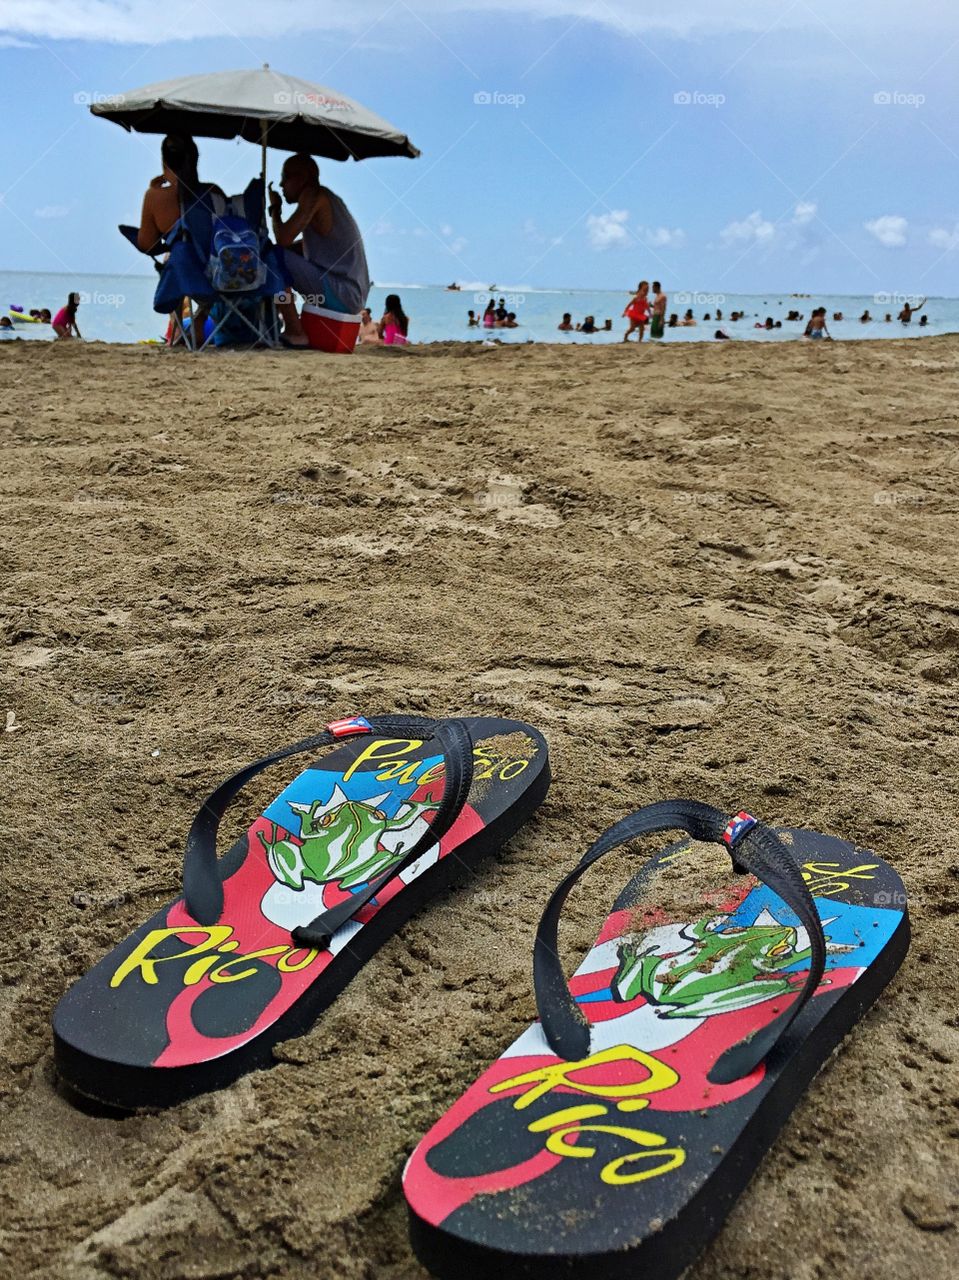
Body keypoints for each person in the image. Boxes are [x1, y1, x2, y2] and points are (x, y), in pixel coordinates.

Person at [270, 153, 371, 347]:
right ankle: (275, 323)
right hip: (350, 296)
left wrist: (275, 209)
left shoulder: (314, 195)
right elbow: (300, 247)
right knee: (275, 256)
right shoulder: (325, 200)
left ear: (302, 178)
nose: (281, 185)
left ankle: (294, 331)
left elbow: (282, 239)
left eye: (285, 177)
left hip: (343, 293)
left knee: (272, 256)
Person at [137, 135, 220, 253]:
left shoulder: (154, 197)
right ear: (195, 159)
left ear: (164, 162)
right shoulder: (214, 191)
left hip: (183, 267)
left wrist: (153, 191)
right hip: (217, 268)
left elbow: (146, 244)